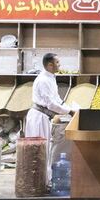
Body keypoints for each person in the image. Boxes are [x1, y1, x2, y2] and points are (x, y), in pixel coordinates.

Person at [24, 53, 76, 183]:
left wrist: (70, 108)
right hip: (38, 117)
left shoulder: (51, 78)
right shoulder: (43, 80)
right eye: (57, 62)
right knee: (38, 151)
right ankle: (35, 182)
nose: (60, 65)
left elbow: (57, 99)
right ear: (50, 65)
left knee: (44, 150)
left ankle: (44, 181)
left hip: (45, 116)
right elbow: (50, 104)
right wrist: (69, 111)